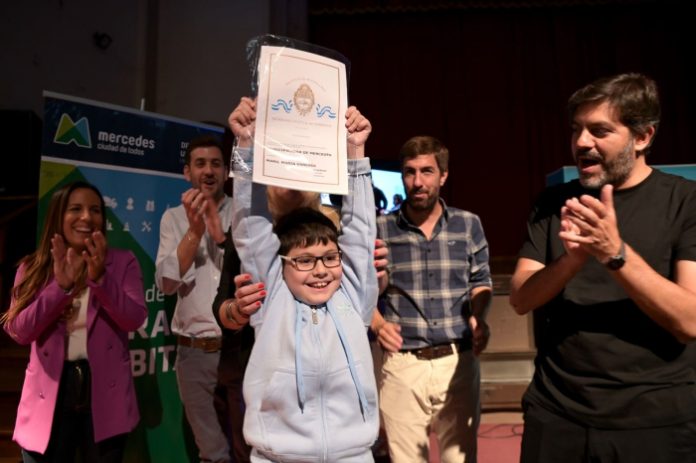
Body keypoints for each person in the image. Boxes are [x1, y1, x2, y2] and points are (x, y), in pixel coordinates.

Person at [509, 72, 696, 462]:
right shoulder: (553, 202)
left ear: (642, 136)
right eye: (576, 129)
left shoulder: (685, 202)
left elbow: (690, 320)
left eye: (599, 130)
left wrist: (615, 254)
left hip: (655, 424)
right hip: (556, 416)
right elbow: (521, 299)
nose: (581, 142)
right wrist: (573, 259)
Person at [228, 96, 379, 461]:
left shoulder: (353, 295)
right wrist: (245, 145)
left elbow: (360, 230)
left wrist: (356, 151)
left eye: (329, 257)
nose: (321, 270)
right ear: (281, 265)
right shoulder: (271, 299)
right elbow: (251, 229)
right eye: (305, 261)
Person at [2, 181, 147, 462]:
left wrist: (101, 278)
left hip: (104, 390)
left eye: (95, 210)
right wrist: (61, 287)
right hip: (50, 391)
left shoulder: (122, 262)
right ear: (59, 215)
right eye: (76, 209)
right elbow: (19, 331)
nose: (86, 217)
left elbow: (134, 319)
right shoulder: (33, 267)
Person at [370, 135, 492, 463]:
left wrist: (479, 315)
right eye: (410, 172)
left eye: (427, 171)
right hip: (403, 364)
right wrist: (377, 323)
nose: (418, 182)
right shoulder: (380, 228)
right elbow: (359, 290)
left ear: (444, 175)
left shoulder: (468, 224)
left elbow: (481, 281)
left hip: (457, 362)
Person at [155, 135, 232, 463]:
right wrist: (194, 231)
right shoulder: (173, 218)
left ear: (226, 171)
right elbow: (166, 283)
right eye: (200, 164)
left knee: (250, 443)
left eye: (216, 164)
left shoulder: (245, 214)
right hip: (194, 352)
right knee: (212, 452)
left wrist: (218, 234)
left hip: (238, 350)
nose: (208, 171)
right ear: (188, 172)